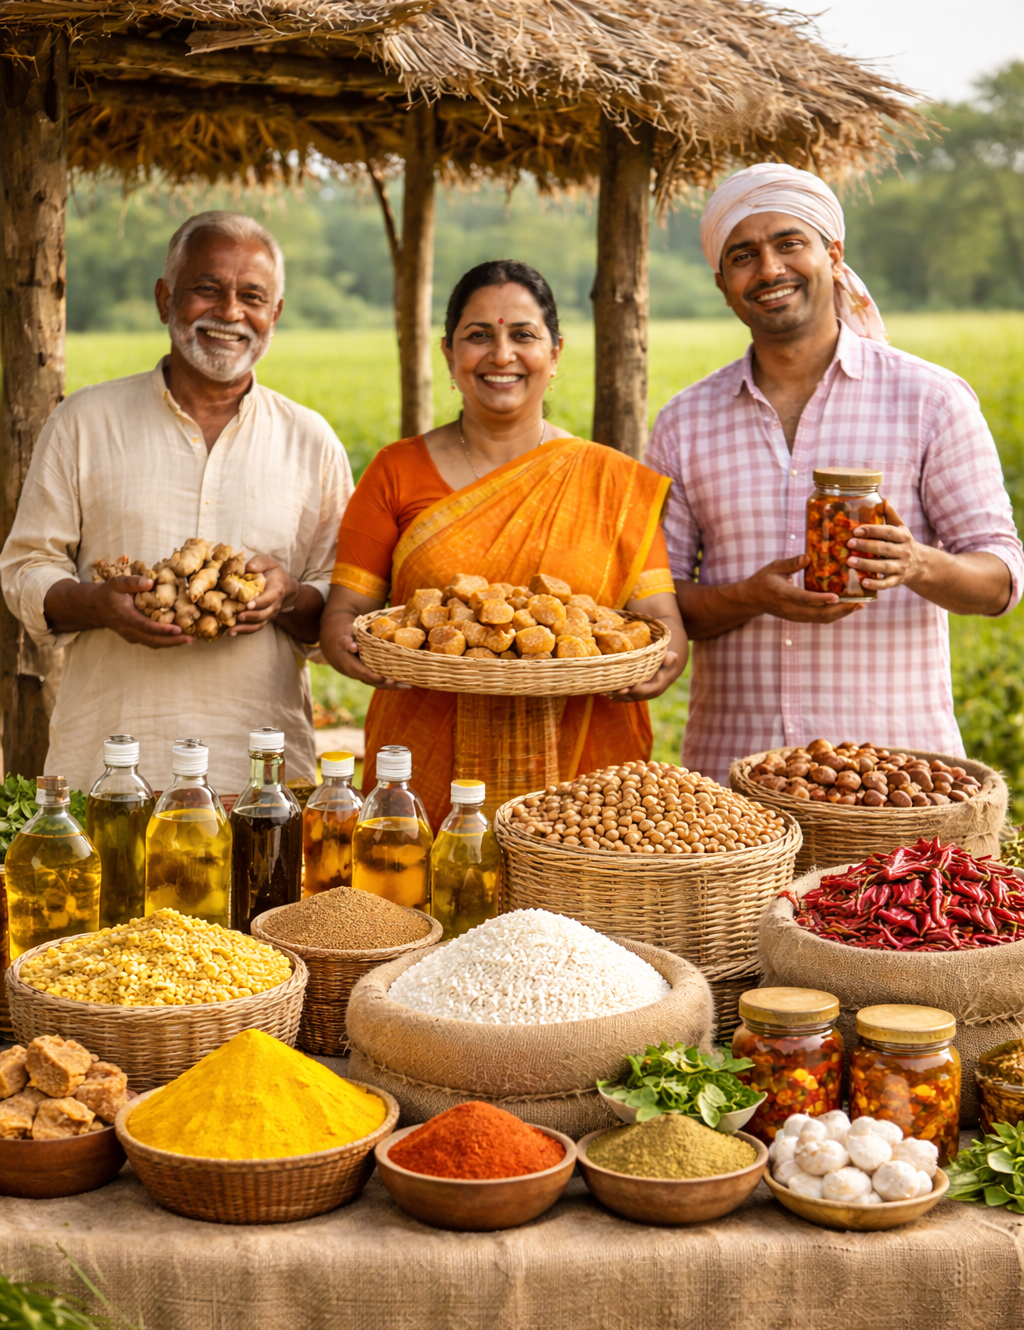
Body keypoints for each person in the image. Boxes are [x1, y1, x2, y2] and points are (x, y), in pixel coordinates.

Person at [646, 163, 1024, 785]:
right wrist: (750, 596)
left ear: (833, 253)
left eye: (789, 243)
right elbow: (660, 602)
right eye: (744, 255)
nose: (769, 270)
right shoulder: (686, 421)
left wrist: (915, 563)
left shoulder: (929, 399)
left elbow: (1001, 579)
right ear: (722, 283)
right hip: (735, 784)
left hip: (895, 779)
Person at [320, 259, 687, 831]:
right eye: (478, 336)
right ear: (448, 354)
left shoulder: (609, 480)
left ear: (556, 353)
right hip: (423, 766)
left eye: (523, 335)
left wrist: (659, 664)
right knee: (423, 911)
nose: (500, 355)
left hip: (585, 777)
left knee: (574, 918)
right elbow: (346, 609)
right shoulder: (397, 470)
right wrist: (347, 645)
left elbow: (659, 622)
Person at [1, 211, 352, 792]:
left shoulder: (309, 438)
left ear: (276, 314)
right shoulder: (84, 421)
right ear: (166, 298)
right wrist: (97, 604)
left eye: (252, 296)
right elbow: (24, 570)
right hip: (113, 760)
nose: (230, 313)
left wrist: (287, 595)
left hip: (262, 772)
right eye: (207, 289)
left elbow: (341, 598)